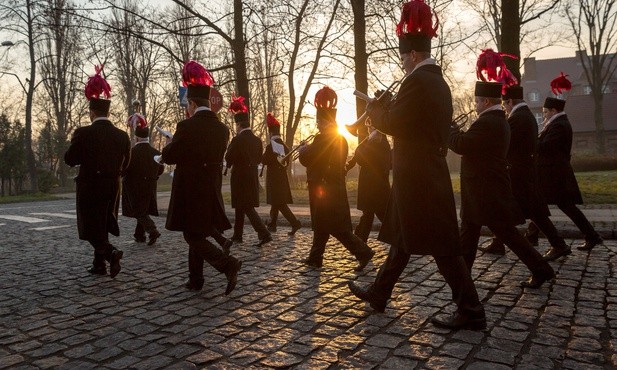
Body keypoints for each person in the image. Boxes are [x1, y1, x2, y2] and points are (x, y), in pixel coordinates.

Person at [347, 0, 485, 331]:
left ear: (412, 54)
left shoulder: (418, 80)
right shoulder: (434, 80)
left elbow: (395, 124)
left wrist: (377, 110)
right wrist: (389, 103)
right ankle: (380, 293)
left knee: (443, 248)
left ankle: (471, 310)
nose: (401, 62)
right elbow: (413, 121)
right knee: (403, 240)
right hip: (422, 173)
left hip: (420, 177)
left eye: (402, 57)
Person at [448, 70, 555, 289]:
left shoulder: (488, 121)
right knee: (472, 235)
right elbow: (471, 143)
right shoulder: (498, 120)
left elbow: (461, 145)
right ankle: (462, 279)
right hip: (484, 189)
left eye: (477, 101)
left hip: (484, 190)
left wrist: (449, 129)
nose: (475, 105)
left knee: (506, 236)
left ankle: (541, 269)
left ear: (486, 101)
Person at [161, 60, 241, 294]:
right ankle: (195, 279)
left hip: (190, 189)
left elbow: (170, 156)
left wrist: (168, 145)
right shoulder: (223, 129)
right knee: (197, 231)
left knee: (192, 236)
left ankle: (228, 264)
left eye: (188, 104)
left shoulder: (186, 126)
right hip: (212, 188)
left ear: (193, 104)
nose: (187, 108)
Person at [479, 85, 571, 261]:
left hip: (518, 173)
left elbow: (506, 143)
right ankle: (498, 243)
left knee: (532, 212)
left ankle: (558, 244)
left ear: (510, 102)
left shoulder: (518, 118)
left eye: (505, 105)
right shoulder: (525, 116)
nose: (504, 109)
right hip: (522, 171)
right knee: (516, 211)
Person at [298, 86, 375, 272]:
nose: (317, 124)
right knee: (322, 225)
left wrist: (302, 150)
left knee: (337, 229)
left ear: (324, 121)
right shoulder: (337, 137)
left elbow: (309, 159)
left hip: (326, 189)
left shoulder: (324, 138)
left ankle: (363, 252)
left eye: (318, 121)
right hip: (331, 187)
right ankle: (315, 257)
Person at [64, 65, 131, 278]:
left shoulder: (83, 133)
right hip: (113, 185)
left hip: (90, 185)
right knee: (102, 222)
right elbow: (126, 163)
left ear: (92, 112)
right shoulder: (122, 135)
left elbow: (70, 159)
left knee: (89, 226)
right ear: (107, 111)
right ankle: (99, 264)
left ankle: (110, 253)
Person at [529, 72, 603, 252]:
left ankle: (591, 236)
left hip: (555, 174)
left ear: (554, 111)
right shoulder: (557, 124)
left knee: (555, 206)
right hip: (552, 173)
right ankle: (531, 235)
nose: (544, 115)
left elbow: (545, 147)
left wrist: (532, 139)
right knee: (544, 205)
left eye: (545, 112)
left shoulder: (559, 125)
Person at [225, 95, 273, 247]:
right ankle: (237, 234)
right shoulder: (257, 140)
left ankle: (264, 233)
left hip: (240, 176)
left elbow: (229, 157)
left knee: (246, 207)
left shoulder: (237, 139)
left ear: (238, 124)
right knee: (241, 205)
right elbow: (259, 158)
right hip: (252, 175)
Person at [345, 120, 391, 243]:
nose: (369, 129)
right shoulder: (373, 141)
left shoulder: (379, 143)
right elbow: (356, 158)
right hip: (371, 184)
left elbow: (361, 157)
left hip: (375, 185)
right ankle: (360, 242)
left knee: (379, 214)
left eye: (371, 127)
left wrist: (368, 143)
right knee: (370, 214)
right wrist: (346, 167)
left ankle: (360, 242)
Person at [121, 126, 164, 245]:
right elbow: (160, 169)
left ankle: (152, 230)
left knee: (138, 211)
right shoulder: (156, 152)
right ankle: (139, 235)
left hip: (133, 186)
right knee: (143, 209)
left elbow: (124, 169)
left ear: (136, 138)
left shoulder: (132, 153)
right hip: (150, 184)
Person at [262, 112, 302, 235]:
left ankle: (295, 223)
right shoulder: (285, 146)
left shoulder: (270, 147)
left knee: (279, 204)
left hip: (274, 179)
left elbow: (264, 160)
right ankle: (272, 225)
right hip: (282, 178)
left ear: (271, 133)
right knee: (276, 203)